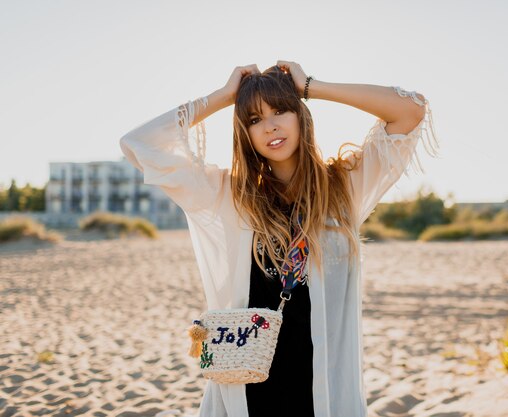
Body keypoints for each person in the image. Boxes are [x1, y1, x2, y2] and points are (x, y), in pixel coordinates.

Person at [119, 60, 439, 417]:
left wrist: (310, 87)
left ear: (300, 115)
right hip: (247, 387)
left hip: (322, 390)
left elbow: (410, 110)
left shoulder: (344, 187)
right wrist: (225, 97)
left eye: (281, 110)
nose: (270, 125)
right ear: (245, 133)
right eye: (254, 119)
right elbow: (138, 144)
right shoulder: (228, 194)